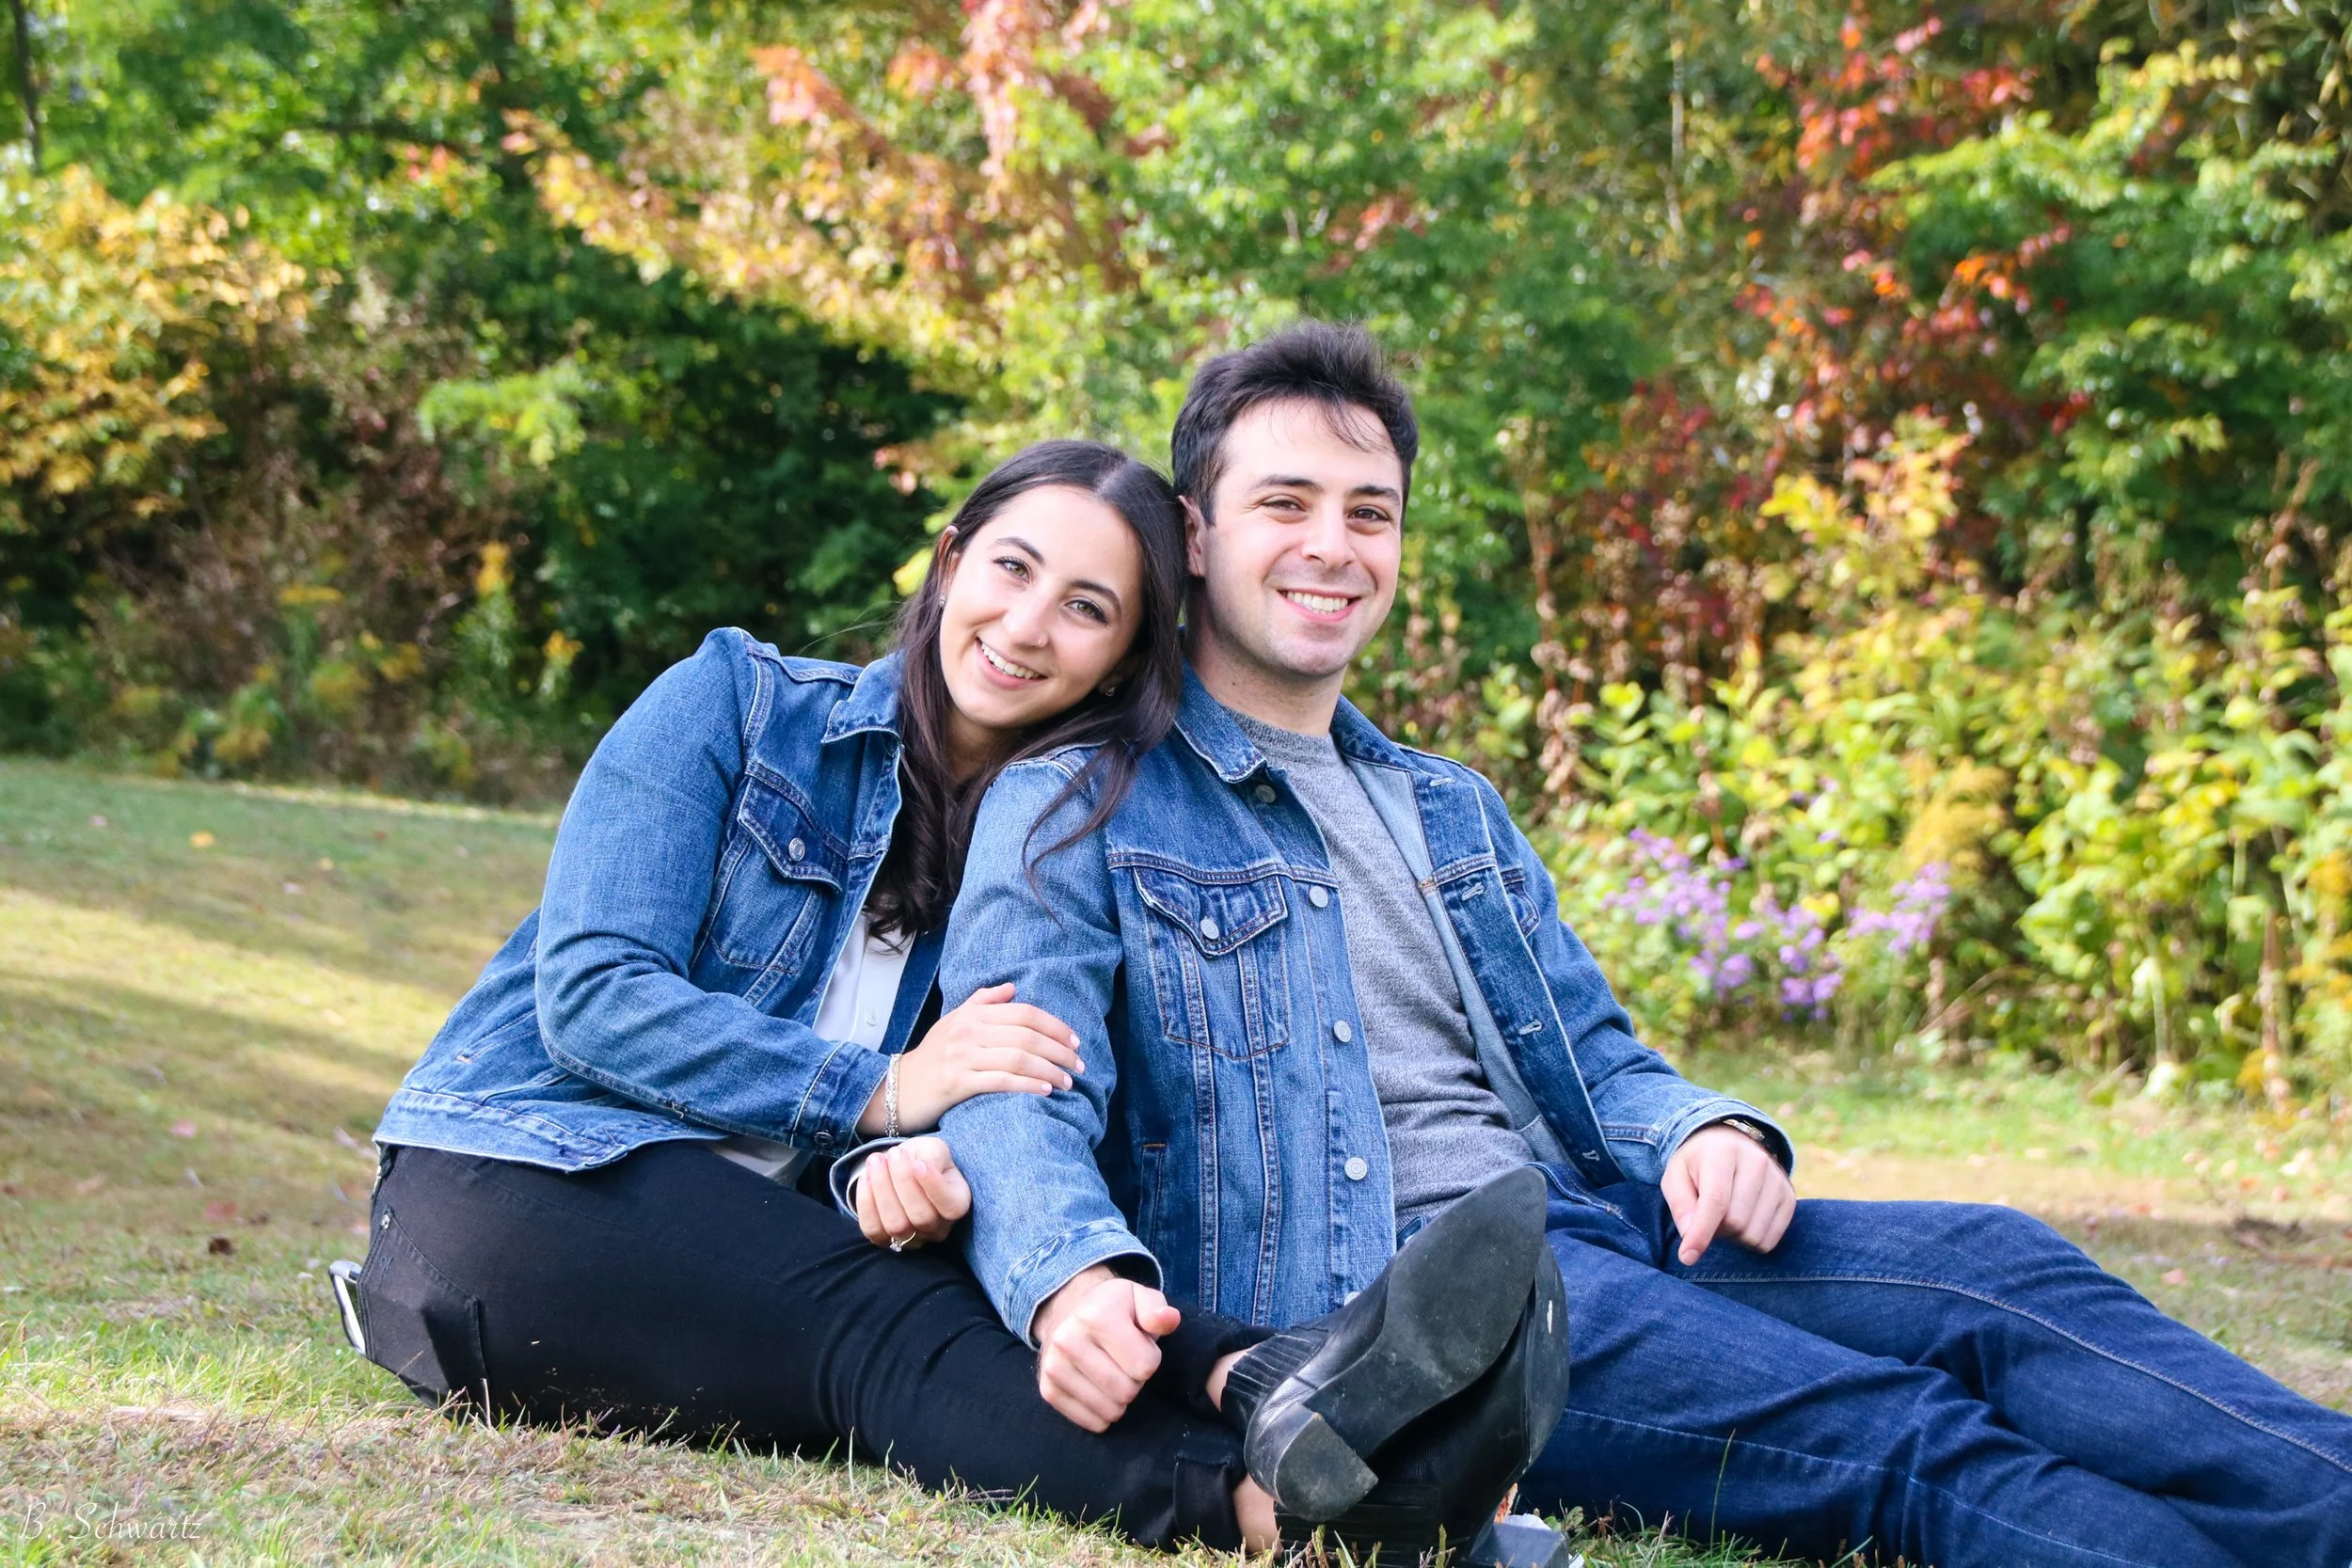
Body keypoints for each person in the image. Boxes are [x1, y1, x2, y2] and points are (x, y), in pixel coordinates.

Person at [931, 324, 2352, 1567]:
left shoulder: (1448, 806)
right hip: (1412, 1312)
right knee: (1909, 1437)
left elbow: (1597, 1054)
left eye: (1371, 511)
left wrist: (1697, 1127)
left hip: (1604, 1222)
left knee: (2000, 1269)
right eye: (1285, 502)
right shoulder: (1082, 800)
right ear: (1195, 532)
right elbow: (1018, 1084)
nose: (1332, 543)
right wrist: (1071, 1276)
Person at [344, 436, 1565, 1563]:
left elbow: (913, 1148)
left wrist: (896, 1169)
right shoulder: (734, 702)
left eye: (1087, 609)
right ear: (950, 562)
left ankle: (1296, 1400)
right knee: (878, 1324)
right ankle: (1282, 1514)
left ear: (1124, 663)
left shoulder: (1033, 868)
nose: (1028, 625)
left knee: (971, 1292)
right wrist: (879, 1092)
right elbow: (595, 998)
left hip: (729, 1248)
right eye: (1013, 568)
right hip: (505, 1186)